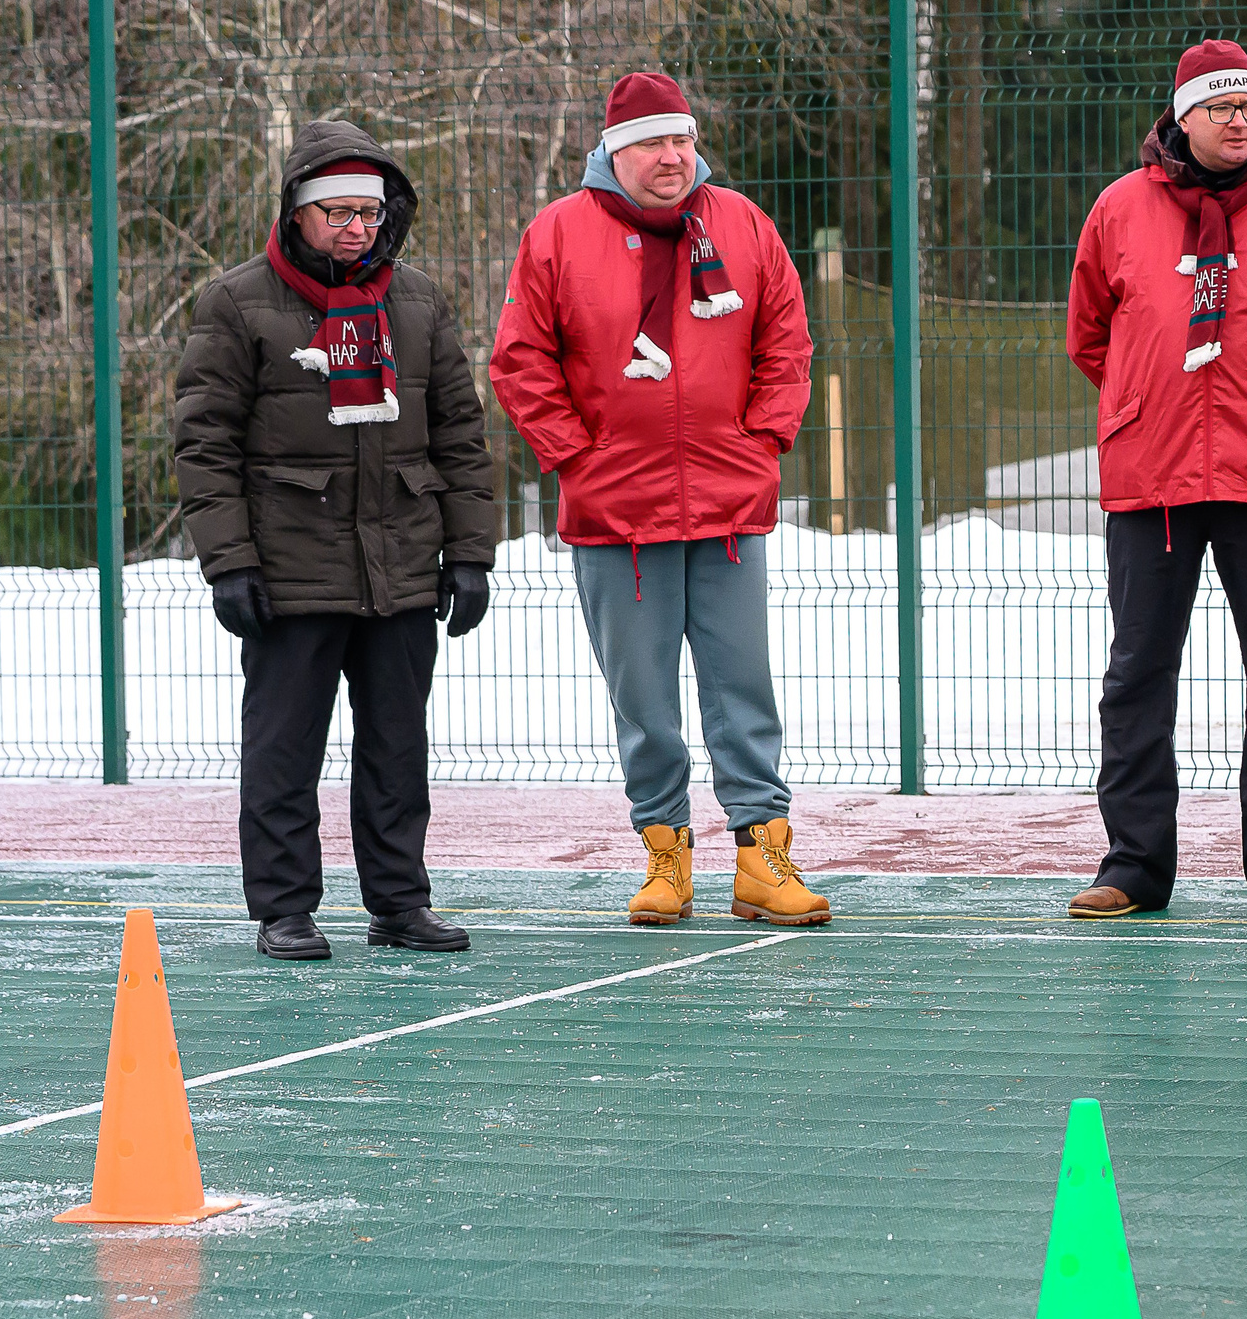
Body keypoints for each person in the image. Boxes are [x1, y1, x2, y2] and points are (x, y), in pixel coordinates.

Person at [490, 71, 828, 927]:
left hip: (729, 510)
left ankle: (762, 859)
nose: (672, 158)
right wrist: (578, 459)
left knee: (743, 687)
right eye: (650, 143)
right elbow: (520, 360)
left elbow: (786, 341)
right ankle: (665, 857)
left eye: (681, 140)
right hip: (615, 520)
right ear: (611, 152)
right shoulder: (557, 235)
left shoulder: (743, 224)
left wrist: (762, 441)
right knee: (643, 699)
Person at [174, 122, 495, 962]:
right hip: (289, 570)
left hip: (400, 567)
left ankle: (399, 902)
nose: (358, 229)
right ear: (297, 216)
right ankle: (283, 907)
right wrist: (230, 563)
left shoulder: (419, 303)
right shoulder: (237, 304)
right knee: (284, 747)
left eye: (371, 213)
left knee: (398, 744)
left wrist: (469, 553)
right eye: (339, 213)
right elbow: (203, 444)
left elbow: (460, 436)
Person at [1063, 38, 1247, 922]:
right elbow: (1091, 335)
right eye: (1224, 109)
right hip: (1147, 479)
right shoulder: (1120, 209)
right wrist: (1143, 399)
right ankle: (1134, 863)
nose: (1243, 122)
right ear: (1182, 118)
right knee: (1137, 675)